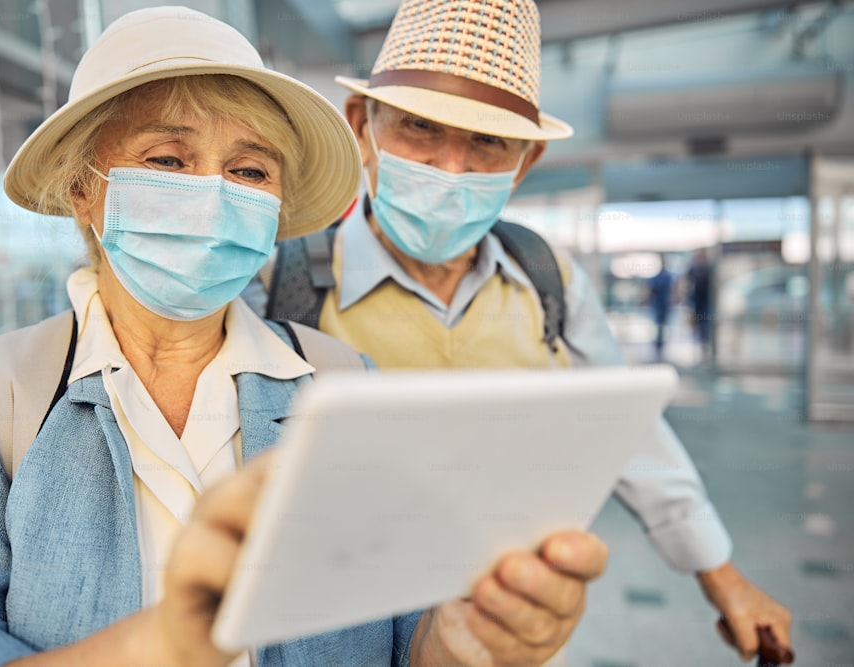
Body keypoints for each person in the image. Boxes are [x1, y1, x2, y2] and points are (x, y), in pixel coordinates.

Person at [0, 7, 609, 667]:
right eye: (167, 160)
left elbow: (410, 636)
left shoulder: (346, 386)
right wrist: (165, 646)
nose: (212, 192)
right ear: (85, 190)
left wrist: (472, 643)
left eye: (249, 170)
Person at [258, 0, 791, 663]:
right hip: (338, 632)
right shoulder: (284, 284)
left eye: (487, 142)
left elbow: (630, 430)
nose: (452, 168)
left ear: (525, 161)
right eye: (421, 127)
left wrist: (725, 579)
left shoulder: (550, 281)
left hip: (505, 631)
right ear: (362, 125)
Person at [646, 255, 676, 361]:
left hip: (662, 305)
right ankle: (659, 345)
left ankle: (660, 344)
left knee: (661, 326)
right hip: (661, 305)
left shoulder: (665, 277)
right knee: (660, 326)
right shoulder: (665, 277)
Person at [686, 249, 714, 362]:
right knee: (699, 325)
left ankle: (705, 345)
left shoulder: (709, 268)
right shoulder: (694, 268)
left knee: (706, 324)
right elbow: (687, 282)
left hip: (707, 301)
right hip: (697, 302)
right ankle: (700, 344)